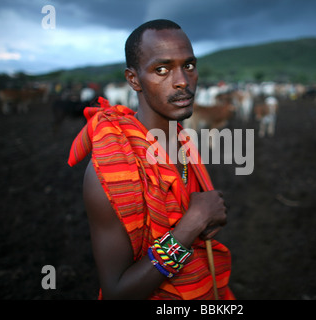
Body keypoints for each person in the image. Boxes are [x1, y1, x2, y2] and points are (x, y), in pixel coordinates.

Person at [68, 19, 234, 300]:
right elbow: (116, 292)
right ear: (134, 79)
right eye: (162, 69)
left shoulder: (182, 141)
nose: (182, 80)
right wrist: (191, 225)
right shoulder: (111, 172)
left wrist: (206, 217)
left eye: (189, 66)